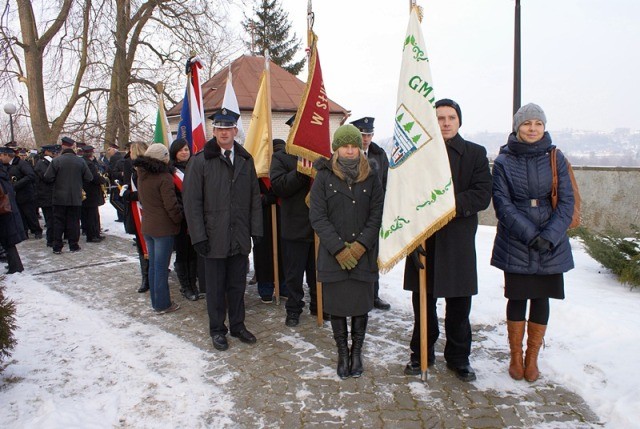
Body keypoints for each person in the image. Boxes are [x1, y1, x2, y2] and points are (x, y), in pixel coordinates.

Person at [403, 99, 492, 382]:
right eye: (440, 118)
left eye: (451, 117)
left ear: (459, 121)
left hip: (458, 241)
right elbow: (406, 197)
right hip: (424, 238)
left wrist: (445, 203)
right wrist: (410, 239)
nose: (445, 122)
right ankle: (421, 353)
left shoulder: (476, 154)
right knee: (423, 305)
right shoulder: (418, 155)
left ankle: (458, 358)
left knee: (458, 307)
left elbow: (482, 194)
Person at [491, 103, 575, 382]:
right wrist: (530, 235)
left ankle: (532, 357)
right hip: (516, 239)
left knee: (541, 298)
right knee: (517, 297)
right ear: (518, 127)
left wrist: (549, 236)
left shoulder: (556, 157)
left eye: (538, 124)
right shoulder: (504, 161)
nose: (532, 128)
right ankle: (515, 355)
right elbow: (502, 203)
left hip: (552, 239)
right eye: (527, 124)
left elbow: (566, 200)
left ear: (544, 127)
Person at [183, 108, 262, 351]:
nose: (224, 132)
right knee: (216, 288)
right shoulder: (200, 161)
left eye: (228, 128)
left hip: (239, 235)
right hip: (213, 236)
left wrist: (256, 229)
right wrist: (198, 236)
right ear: (214, 131)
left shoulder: (246, 160)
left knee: (237, 285)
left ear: (235, 131)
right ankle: (217, 329)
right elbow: (191, 202)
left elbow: (254, 198)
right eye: (219, 128)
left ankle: (238, 325)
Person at [309, 124, 384, 379]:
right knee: (338, 307)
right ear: (336, 148)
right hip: (334, 256)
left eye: (354, 146)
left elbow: (377, 214)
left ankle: (357, 352)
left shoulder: (372, 176)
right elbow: (317, 217)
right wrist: (340, 250)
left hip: (364, 254)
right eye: (345, 146)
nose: (350, 151)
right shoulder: (323, 176)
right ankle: (343, 353)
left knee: (361, 306)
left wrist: (360, 246)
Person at [270, 130, 318, 326]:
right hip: (294, 226)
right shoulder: (281, 157)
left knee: (317, 272)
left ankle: (318, 304)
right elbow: (279, 187)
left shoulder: (319, 156)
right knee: (294, 274)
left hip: (318, 226)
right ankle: (294, 309)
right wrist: (301, 172)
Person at [133, 143, 182, 314]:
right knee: (161, 267)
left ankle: (156, 301)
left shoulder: (142, 175)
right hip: (163, 228)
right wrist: (179, 220)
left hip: (148, 226)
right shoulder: (164, 177)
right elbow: (171, 205)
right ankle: (162, 304)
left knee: (154, 266)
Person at [350, 116, 391, 311]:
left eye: (369, 134)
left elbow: (386, 182)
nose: (365, 139)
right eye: (362, 134)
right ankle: (355, 295)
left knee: (373, 256)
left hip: (374, 214)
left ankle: (373, 295)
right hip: (352, 213)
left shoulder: (379, 154)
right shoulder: (347, 154)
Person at [43, 137, 93, 254]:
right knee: (74, 221)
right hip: (75, 197)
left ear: (62, 148)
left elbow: (47, 177)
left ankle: (57, 246)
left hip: (59, 197)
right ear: (73, 148)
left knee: (58, 222)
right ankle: (73, 245)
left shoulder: (56, 161)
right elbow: (89, 177)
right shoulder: (80, 161)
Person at [169, 138, 199, 301]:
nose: (184, 152)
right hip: (181, 220)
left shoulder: (195, 167)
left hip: (196, 219)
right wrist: (183, 213)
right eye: (181, 150)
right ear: (175, 152)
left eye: (186, 149)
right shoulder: (170, 172)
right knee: (183, 253)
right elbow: (172, 197)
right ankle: (185, 286)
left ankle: (194, 284)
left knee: (194, 252)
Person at [122, 142, 150, 293]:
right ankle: (146, 277)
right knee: (142, 246)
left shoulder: (149, 169)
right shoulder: (130, 167)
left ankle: (149, 277)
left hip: (148, 212)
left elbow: (148, 193)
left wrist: (129, 195)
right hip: (136, 212)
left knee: (148, 246)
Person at [6, 145, 42, 239]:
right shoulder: (6, 165)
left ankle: (37, 230)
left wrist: (16, 184)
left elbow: (30, 175)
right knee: (20, 215)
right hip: (14, 194)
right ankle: (24, 232)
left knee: (29, 214)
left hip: (25, 193)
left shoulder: (21, 164)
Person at [0, 147, 26, 274]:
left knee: (7, 239)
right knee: (8, 239)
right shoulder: (4, 170)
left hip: (4, 209)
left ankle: (15, 267)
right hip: (7, 208)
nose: (10, 159)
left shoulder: (3, 170)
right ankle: (14, 265)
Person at [80, 146, 108, 242]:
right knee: (92, 215)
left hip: (85, 191)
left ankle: (91, 233)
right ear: (91, 154)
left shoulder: (81, 161)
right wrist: (103, 180)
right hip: (91, 192)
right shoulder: (89, 164)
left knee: (88, 214)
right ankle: (93, 235)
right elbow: (94, 177)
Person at [34, 145, 59, 247]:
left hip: (51, 195)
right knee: (50, 220)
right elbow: (47, 178)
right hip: (46, 195)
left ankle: (54, 238)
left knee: (54, 219)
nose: (55, 153)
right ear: (47, 152)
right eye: (53, 152)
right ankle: (51, 240)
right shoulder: (42, 163)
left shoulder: (49, 162)